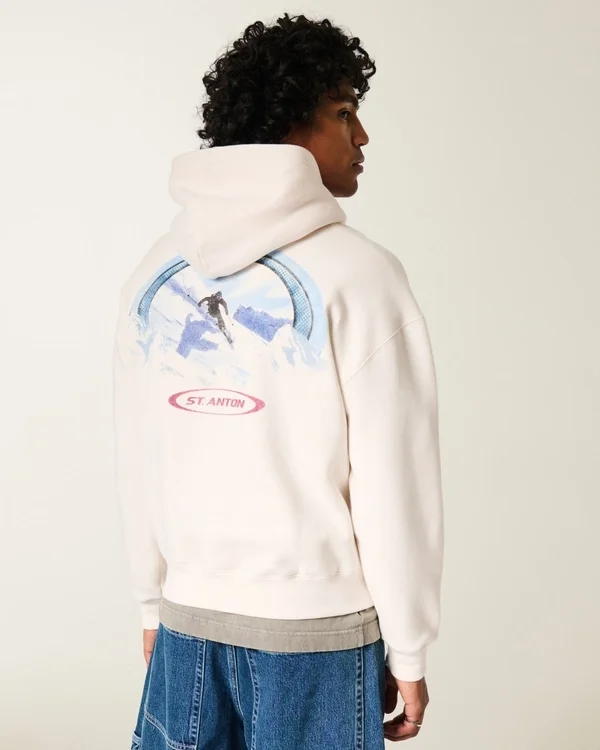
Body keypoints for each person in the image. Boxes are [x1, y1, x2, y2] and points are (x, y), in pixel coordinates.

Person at [114, 13, 444, 749]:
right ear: (291, 125)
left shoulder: (154, 275)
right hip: (315, 639)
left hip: (185, 623)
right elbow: (394, 478)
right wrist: (410, 647)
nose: (363, 137)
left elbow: (137, 452)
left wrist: (151, 602)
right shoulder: (361, 276)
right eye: (344, 113)